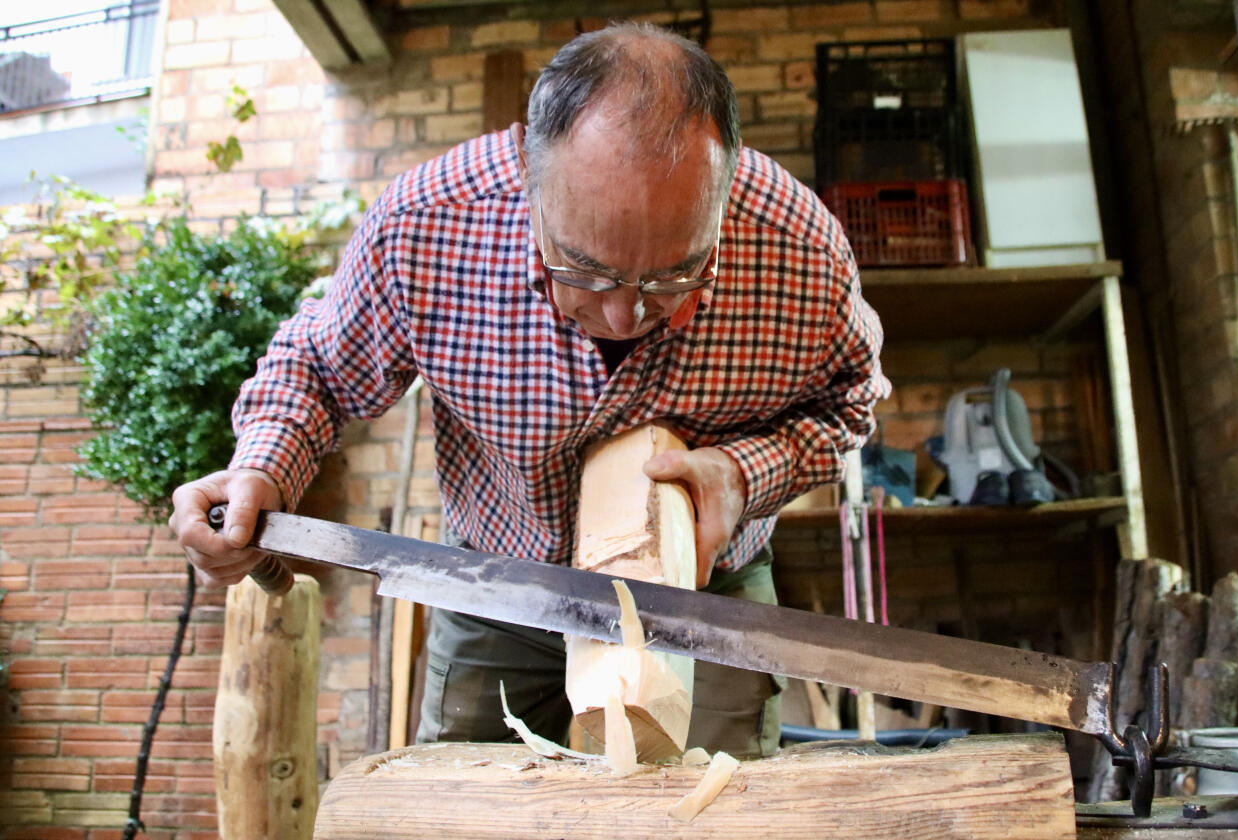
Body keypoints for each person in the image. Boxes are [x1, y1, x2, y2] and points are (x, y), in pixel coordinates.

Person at [170, 21, 889, 758]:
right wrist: (261, 467)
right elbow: (318, 369)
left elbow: (850, 402)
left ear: (725, 196)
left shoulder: (801, 249)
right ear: (529, 185)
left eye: (675, 276)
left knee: (713, 808)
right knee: (465, 808)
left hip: (708, 597)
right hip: (500, 589)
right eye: (585, 270)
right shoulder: (428, 227)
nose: (624, 314)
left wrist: (744, 477)